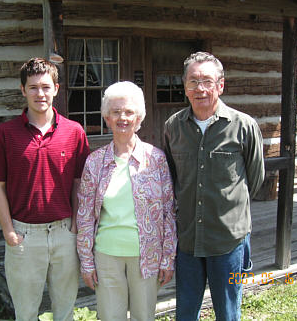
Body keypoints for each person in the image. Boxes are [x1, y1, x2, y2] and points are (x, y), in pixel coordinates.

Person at [0, 57, 90, 321]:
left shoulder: (74, 132)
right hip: (24, 235)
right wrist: (9, 231)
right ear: (23, 90)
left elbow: (80, 183)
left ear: (56, 88)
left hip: (64, 233)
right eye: (32, 87)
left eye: (45, 86)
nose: (39, 93)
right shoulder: (6, 134)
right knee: (26, 313)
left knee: (65, 311)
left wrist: (75, 225)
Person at [164, 52, 265, 321]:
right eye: (193, 81)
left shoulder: (244, 126)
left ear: (220, 85)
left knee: (228, 313)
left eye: (207, 81)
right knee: (185, 313)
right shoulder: (173, 128)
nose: (200, 89)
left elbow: (254, 180)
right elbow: (173, 179)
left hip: (228, 241)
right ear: (184, 86)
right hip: (187, 242)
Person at [77, 81, 177, 321]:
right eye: (116, 111)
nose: (123, 117)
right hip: (107, 255)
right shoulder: (95, 162)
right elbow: (84, 216)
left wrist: (167, 258)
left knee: (144, 317)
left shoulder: (156, 159)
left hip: (147, 255)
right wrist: (86, 262)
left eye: (129, 112)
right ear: (107, 117)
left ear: (139, 117)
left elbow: (169, 212)